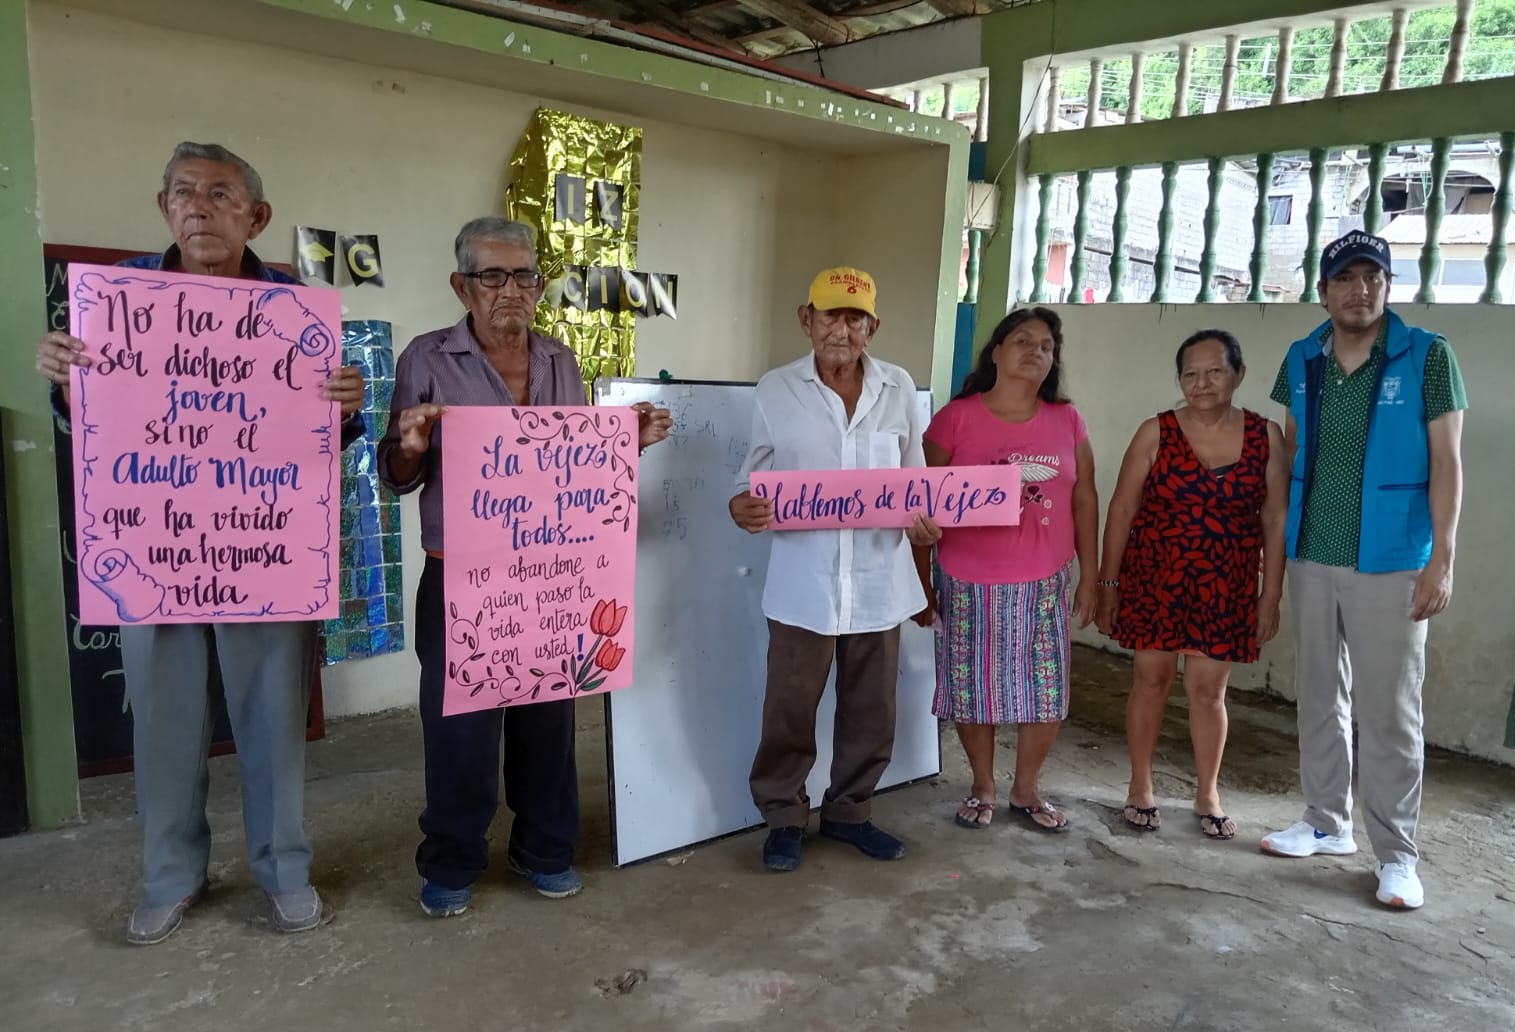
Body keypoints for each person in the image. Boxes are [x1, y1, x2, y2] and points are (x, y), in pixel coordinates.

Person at [34, 142, 368, 944]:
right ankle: (171, 876)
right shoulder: (116, 301)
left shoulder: (296, 310)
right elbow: (92, 423)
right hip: (154, 553)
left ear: (257, 216)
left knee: (274, 721)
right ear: (164, 208)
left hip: (264, 551)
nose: (199, 207)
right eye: (183, 192)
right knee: (165, 725)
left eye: (221, 194)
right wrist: (66, 383)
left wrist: (347, 405)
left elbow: (322, 437)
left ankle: (283, 870)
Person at [379, 217, 671, 918]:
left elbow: (570, 466)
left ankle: (543, 849)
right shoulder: (426, 357)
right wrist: (412, 446)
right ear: (463, 286)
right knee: (461, 732)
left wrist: (626, 442)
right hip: (461, 576)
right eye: (492, 275)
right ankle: (452, 859)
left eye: (524, 276)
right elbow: (394, 475)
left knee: (549, 719)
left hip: (553, 573)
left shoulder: (559, 361)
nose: (510, 289)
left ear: (538, 286)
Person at [1259, 231, 1466, 910]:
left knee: (1390, 711)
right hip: (1314, 551)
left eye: (1372, 277)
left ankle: (1398, 855)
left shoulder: (1428, 356)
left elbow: (1448, 463)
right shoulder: (1302, 357)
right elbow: (1290, 450)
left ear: (1388, 285)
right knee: (1319, 695)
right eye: (1345, 279)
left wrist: (1441, 560)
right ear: (1323, 292)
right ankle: (1326, 822)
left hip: (1393, 561)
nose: (1359, 290)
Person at [730, 267, 940, 872]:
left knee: (871, 708)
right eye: (830, 315)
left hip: (878, 579)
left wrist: (923, 521)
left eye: (856, 318)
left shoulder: (898, 388)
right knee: (789, 708)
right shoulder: (777, 388)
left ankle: (850, 812)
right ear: (807, 320)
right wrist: (741, 505)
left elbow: (916, 481)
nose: (841, 330)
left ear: (874, 327)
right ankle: (783, 817)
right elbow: (751, 478)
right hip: (804, 582)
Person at [1096, 330, 1288, 839]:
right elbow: (1122, 508)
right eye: (1190, 374)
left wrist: (1271, 594)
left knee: (1208, 691)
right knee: (1150, 681)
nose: (1202, 383)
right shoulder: (1156, 432)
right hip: (1155, 578)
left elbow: (1275, 519)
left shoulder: (1265, 436)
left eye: (1215, 372)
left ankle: (1207, 793)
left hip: (1227, 584)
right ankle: (1140, 786)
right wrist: (1108, 581)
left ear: (1239, 375)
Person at [913, 307, 1097, 834]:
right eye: (1022, 340)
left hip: (1045, 580)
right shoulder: (956, 418)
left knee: (1045, 691)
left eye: (1047, 345)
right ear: (995, 352)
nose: (1036, 351)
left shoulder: (1067, 420)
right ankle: (982, 786)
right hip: (967, 579)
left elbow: (1085, 498)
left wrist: (1091, 576)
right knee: (972, 689)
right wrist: (921, 585)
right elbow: (919, 504)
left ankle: (1026, 789)